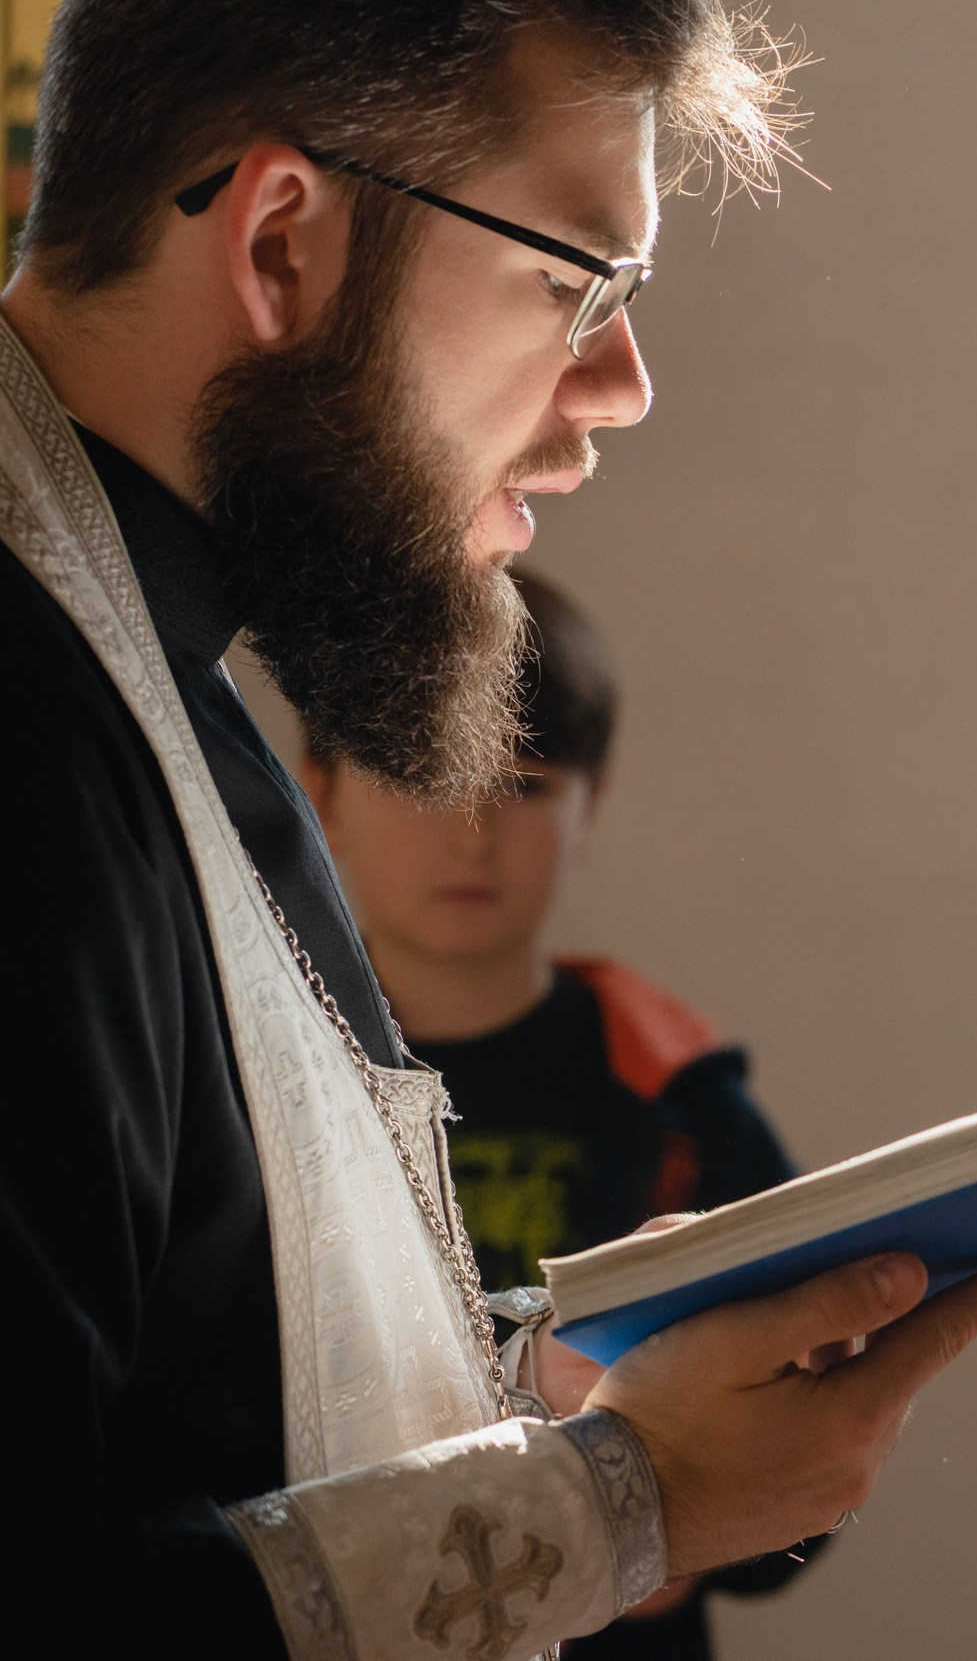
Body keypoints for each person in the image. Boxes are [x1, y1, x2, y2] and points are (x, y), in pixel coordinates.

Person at [0, 0, 977, 1658]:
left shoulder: (140, 658)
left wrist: (541, 1367)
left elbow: (196, 1362)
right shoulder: (31, 727)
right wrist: (623, 1501)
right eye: (575, 279)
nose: (623, 381)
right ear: (283, 244)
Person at [303, 570, 823, 1659]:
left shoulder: (680, 1095)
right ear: (321, 793)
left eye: (523, 785)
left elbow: (811, 1412)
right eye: (423, 777)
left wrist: (686, 1533)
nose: (471, 833)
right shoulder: (265, 1088)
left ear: (596, 802)